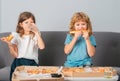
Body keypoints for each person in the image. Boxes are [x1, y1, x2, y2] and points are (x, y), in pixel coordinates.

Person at [0, 11, 45, 81]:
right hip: (19, 61)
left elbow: (42, 47)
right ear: (21, 24)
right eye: (26, 22)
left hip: (31, 62)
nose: (29, 24)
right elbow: (15, 54)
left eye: (31, 22)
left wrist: (36, 32)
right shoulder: (16, 36)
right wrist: (10, 44)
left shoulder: (35, 35)